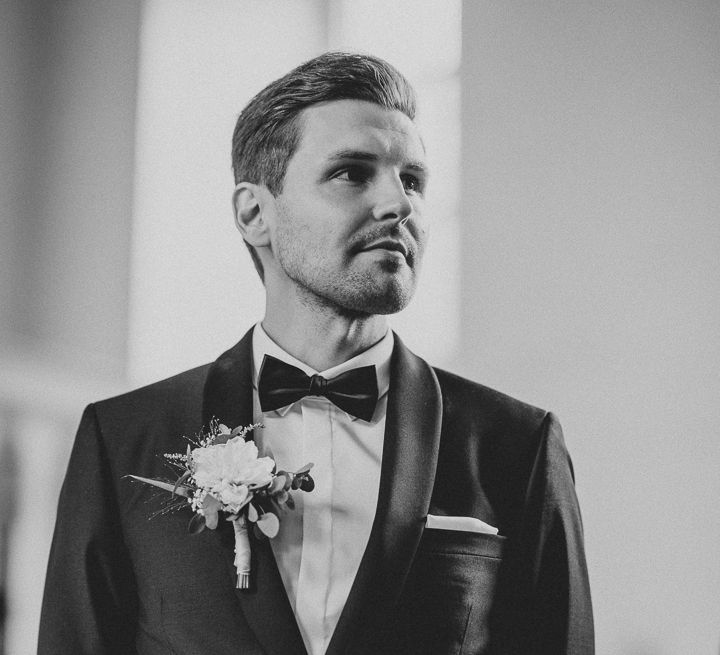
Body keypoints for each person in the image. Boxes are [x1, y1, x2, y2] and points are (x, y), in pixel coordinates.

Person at [39, 52, 594, 654]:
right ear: (256, 213)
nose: (399, 205)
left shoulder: (518, 443)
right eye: (353, 173)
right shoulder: (123, 437)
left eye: (412, 180)